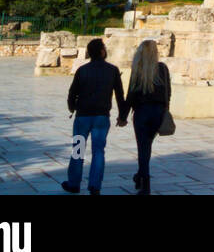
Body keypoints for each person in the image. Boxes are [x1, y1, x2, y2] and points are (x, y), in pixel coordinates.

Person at [61, 38, 128, 195]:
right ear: (102, 51)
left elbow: (72, 93)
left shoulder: (82, 70)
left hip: (82, 116)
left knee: (78, 149)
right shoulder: (113, 70)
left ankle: (74, 183)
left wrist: (72, 108)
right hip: (101, 117)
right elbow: (120, 95)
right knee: (98, 151)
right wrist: (122, 116)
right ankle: (95, 185)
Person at [126, 39, 172, 195]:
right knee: (147, 147)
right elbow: (168, 93)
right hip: (158, 113)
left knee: (143, 148)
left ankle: (145, 185)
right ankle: (140, 176)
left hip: (142, 113)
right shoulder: (163, 69)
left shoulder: (138, 70)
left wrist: (123, 116)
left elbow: (131, 95)